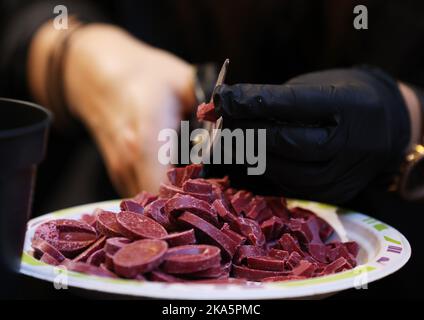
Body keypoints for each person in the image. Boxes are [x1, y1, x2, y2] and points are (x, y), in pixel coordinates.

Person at [1, 0, 423, 298]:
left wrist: (408, 116)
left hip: (375, 229)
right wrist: (87, 59)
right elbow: (21, 14)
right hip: (109, 194)